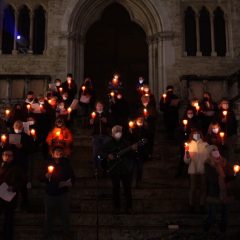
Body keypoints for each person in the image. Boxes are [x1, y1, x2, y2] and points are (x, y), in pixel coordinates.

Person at [101, 125, 137, 214]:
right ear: (112, 134)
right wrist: (107, 156)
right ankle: (116, 207)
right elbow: (100, 154)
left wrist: (133, 150)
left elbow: (132, 156)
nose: (118, 133)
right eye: (116, 132)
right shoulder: (108, 143)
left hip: (125, 168)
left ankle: (129, 207)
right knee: (115, 189)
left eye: (119, 131)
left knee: (127, 189)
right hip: (114, 169)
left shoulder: (126, 143)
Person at [43, 146, 75, 240]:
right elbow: (40, 177)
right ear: (52, 154)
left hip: (62, 194)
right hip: (49, 193)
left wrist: (69, 183)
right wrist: (46, 176)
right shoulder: (47, 163)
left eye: (61, 152)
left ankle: (66, 234)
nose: (59, 154)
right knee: (48, 217)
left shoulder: (66, 164)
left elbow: (72, 177)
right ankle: (47, 235)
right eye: (57, 152)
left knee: (65, 216)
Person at [204, 145, 233, 233]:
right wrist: (220, 174)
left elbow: (230, 175)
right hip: (214, 192)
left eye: (215, 151)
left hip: (225, 192)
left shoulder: (224, 162)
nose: (214, 153)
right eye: (212, 151)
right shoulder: (208, 164)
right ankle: (206, 228)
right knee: (212, 214)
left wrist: (232, 174)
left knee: (225, 214)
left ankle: (223, 230)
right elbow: (211, 178)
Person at [0, 148, 24, 240]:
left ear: (13, 157)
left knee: (8, 220)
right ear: (2, 156)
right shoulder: (1, 167)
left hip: (10, 198)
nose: (7, 157)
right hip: (0, 197)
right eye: (5, 155)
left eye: (9, 155)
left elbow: (22, 181)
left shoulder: (17, 168)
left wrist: (13, 187)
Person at [184, 129, 209, 213]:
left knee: (203, 187)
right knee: (193, 187)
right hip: (193, 169)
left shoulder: (205, 145)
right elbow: (186, 161)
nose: (196, 135)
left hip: (203, 169)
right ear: (191, 135)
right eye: (194, 134)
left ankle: (202, 205)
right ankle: (191, 205)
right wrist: (187, 154)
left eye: (198, 133)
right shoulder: (189, 145)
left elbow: (208, 157)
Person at [90, 101, 110, 171]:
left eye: (101, 105)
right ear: (96, 107)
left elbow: (110, 123)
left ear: (103, 106)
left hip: (105, 135)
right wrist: (91, 122)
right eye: (98, 105)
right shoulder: (93, 114)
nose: (99, 107)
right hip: (96, 135)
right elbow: (89, 125)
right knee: (95, 152)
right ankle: (95, 168)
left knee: (105, 152)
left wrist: (107, 121)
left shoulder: (106, 114)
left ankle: (104, 167)